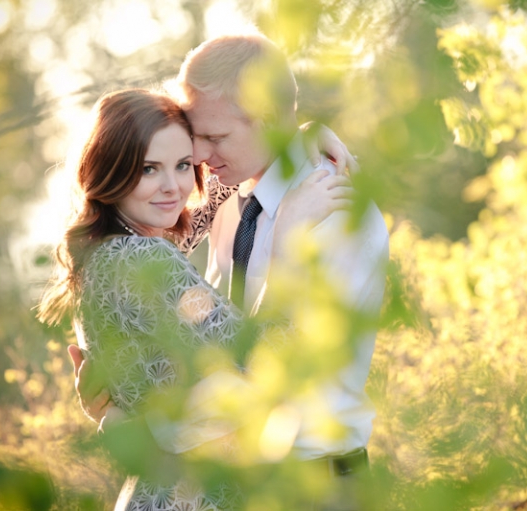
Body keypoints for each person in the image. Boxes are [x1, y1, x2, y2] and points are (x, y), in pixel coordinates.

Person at [37, 88, 355, 510]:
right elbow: (261, 362)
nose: (173, 186)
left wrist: (297, 135)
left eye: (184, 165)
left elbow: (212, 196)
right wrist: (287, 237)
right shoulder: (143, 258)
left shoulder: (106, 252)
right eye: (149, 168)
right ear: (109, 169)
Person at [178, 33, 389, 509]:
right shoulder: (227, 200)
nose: (199, 155)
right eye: (197, 136)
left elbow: (277, 366)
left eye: (215, 137)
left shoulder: (336, 210)